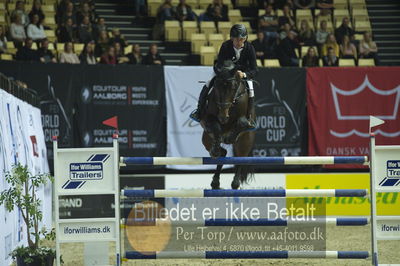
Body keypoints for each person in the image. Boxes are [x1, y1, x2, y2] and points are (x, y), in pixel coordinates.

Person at [190, 24, 257, 130]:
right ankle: (198, 111)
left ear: (245, 39)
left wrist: (244, 74)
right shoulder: (226, 45)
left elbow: (254, 69)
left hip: (242, 74)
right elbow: (220, 63)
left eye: (241, 39)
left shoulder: (250, 48)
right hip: (225, 72)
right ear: (232, 38)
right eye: (236, 40)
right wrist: (227, 71)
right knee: (209, 83)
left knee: (251, 90)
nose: (239, 42)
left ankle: (249, 118)